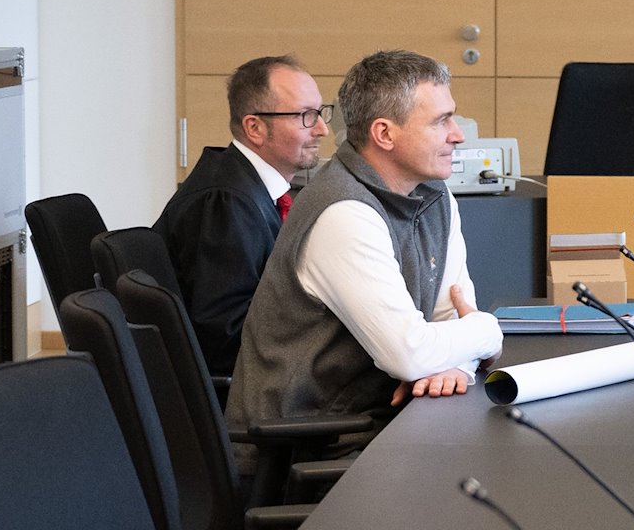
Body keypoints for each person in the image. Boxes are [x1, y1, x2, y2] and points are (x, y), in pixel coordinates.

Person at [226, 49, 503, 462]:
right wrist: (488, 331)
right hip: (306, 451)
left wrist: (454, 368)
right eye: (440, 121)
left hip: (378, 426)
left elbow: (451, 314)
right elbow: (410, 353)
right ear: (384, 134)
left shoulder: (434, 196)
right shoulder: (343, 212)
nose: (457, 134)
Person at [153, 55, 329, 377]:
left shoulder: (243, 184)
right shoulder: (227, 203)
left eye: (319, 112)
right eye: (306, 116)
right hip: (234, 397)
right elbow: (224, 337)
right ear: (255, 128)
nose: (323, 129)